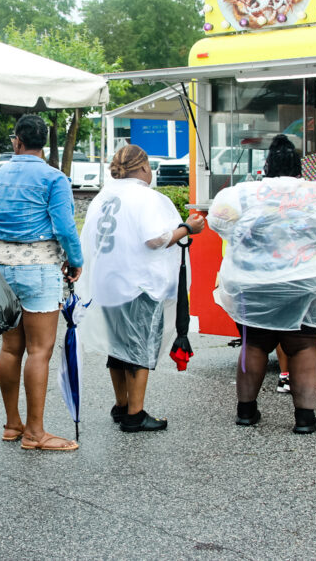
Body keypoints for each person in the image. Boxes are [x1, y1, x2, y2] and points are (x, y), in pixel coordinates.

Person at [208, 134, 316, 434]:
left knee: (254, 344)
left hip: (251, 282)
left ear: (266, 166)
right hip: (308, 281)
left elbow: (217, 222)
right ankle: (304, 419)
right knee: (303, 346)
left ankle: (246, 412)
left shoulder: (243, 193)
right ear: (300, 168)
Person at [0, 113, 82, 451]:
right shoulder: (54, 178)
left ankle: (12, 424)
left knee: (10, 348)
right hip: (40, 267)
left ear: (16, 141)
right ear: (42, 144)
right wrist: (76, 262)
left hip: (2, 267)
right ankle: (36, 432)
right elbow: (65, 227)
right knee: (40, 350)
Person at [79, 145, 205, 432]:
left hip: (107, 282)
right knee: (139, 345)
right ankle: (135, 415)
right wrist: (188, 228)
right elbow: (155, 239)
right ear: (145, 167)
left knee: (117, 346)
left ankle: (121, 405)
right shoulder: (146, 198)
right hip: (137, 284)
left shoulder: (105, 196)